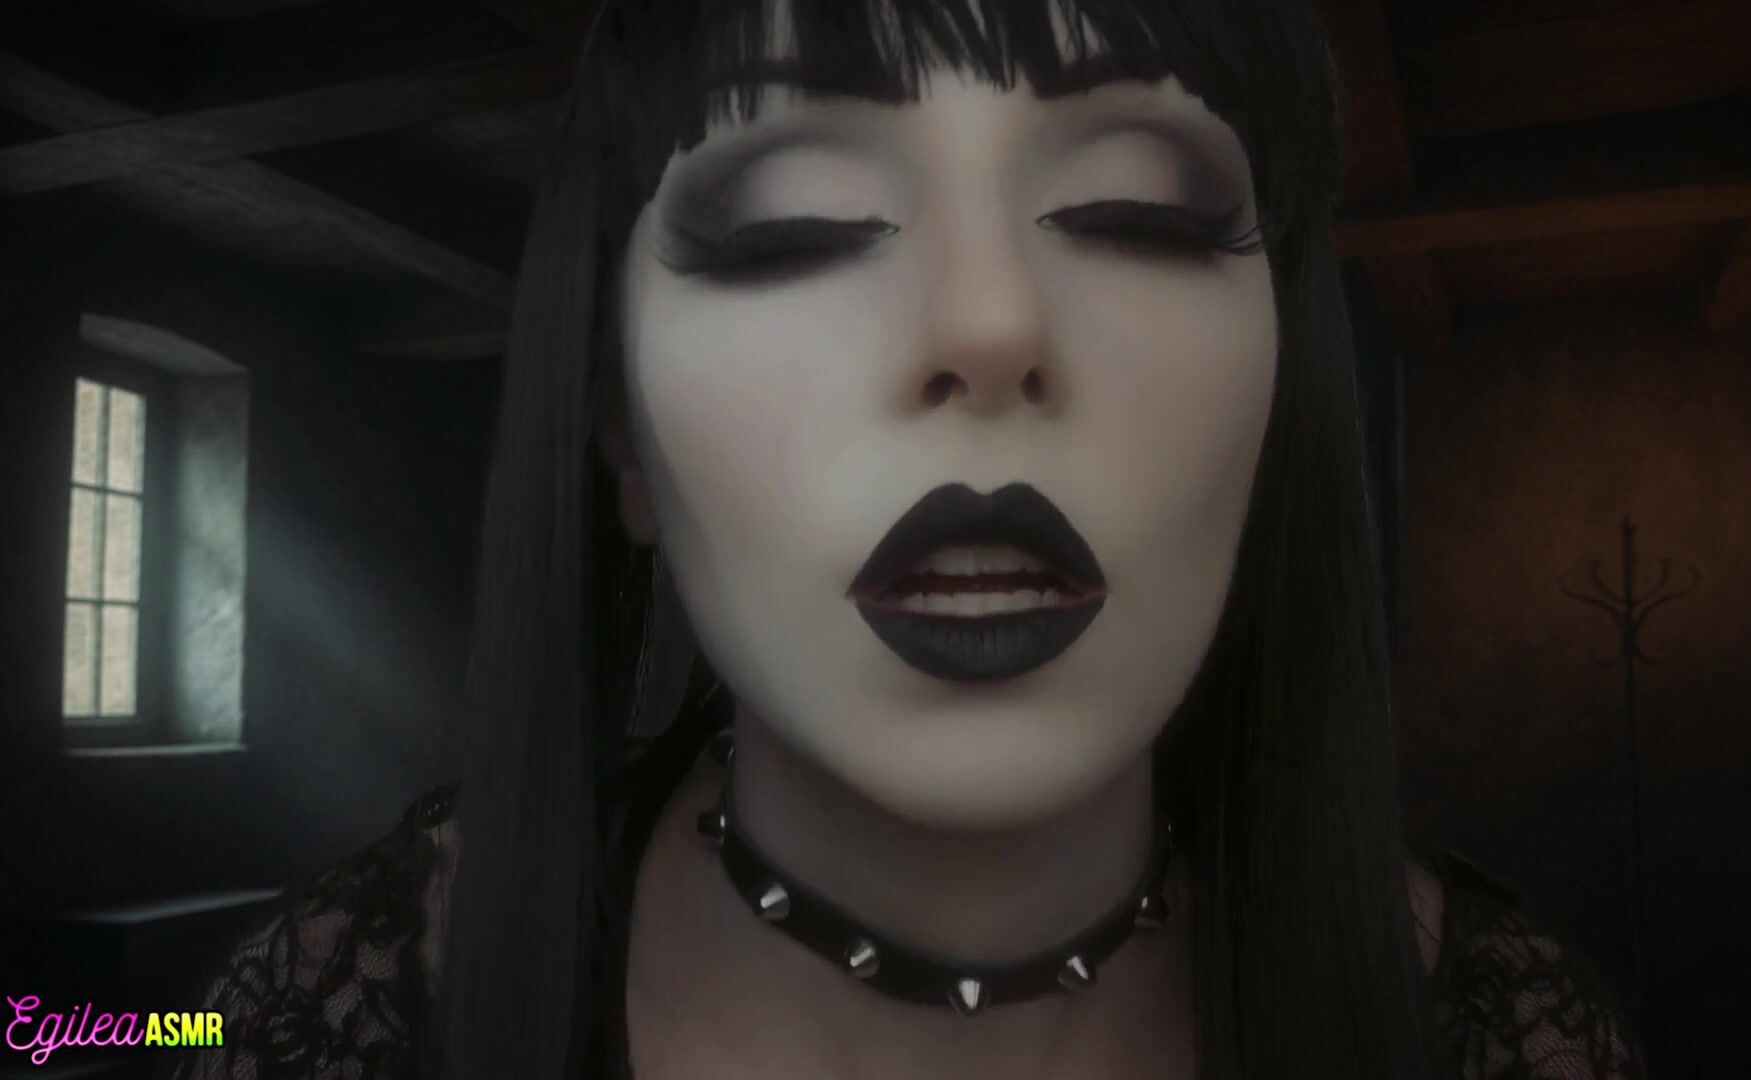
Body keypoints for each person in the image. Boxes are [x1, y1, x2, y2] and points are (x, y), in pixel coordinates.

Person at [173, 1, 1646, 1076]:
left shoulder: (1496, 1032)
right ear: (621, 434)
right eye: (794, 223)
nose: (987, 324)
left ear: (1279, 397)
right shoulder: (332, 1007)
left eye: (1138, 212)